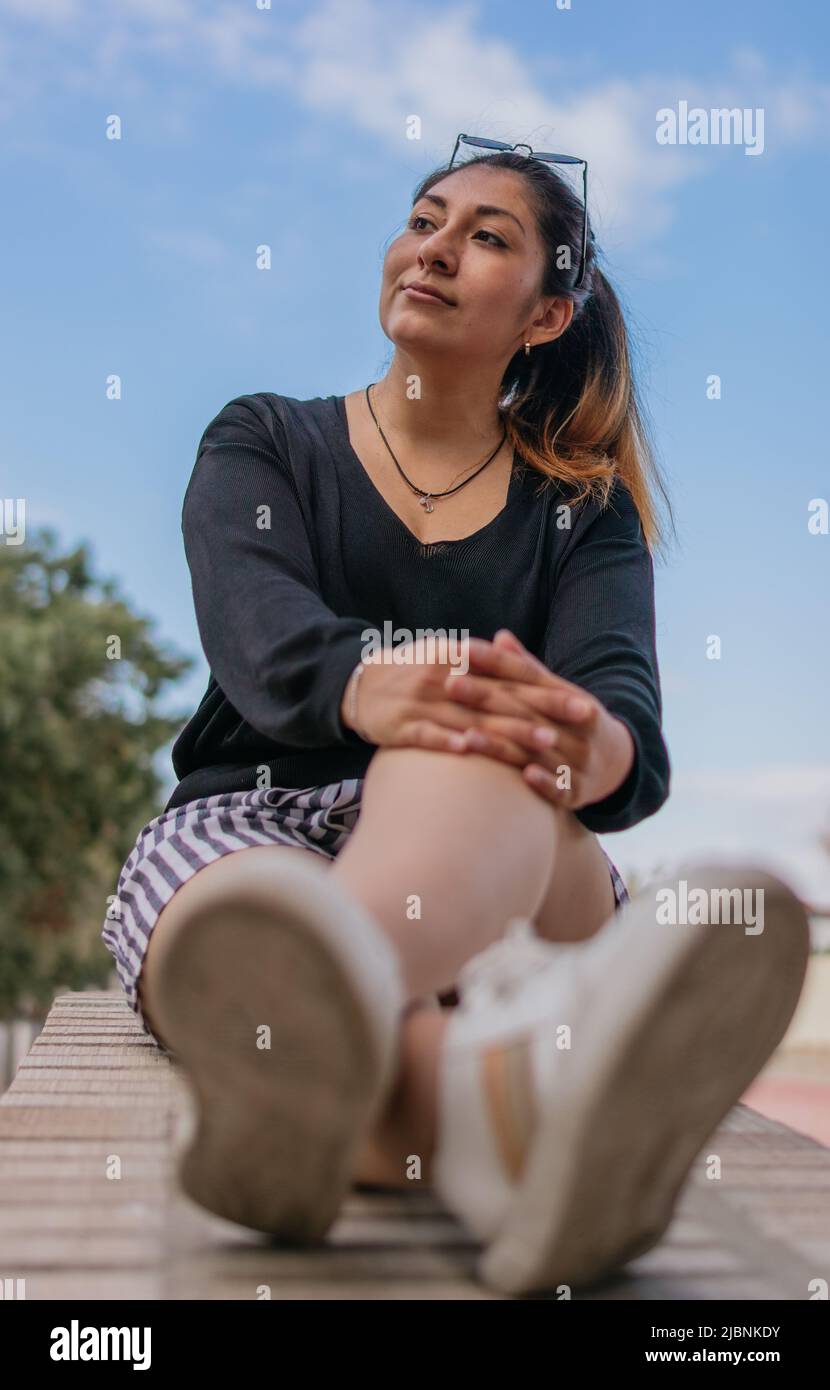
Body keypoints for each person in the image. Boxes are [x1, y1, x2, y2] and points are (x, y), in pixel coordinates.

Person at [101, 146, 809, 1296]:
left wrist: (579, 739)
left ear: (545, 314)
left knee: (466, 735)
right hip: (251, 824)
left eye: (484, 235)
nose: (432, 244)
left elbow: (626, 733)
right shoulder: (264, 439)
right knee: (252, 927)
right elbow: (257, 636)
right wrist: (369, 679)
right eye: (424, 219)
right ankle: (478, 1112)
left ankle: (329, 995)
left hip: (505, 866)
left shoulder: (582, 514)